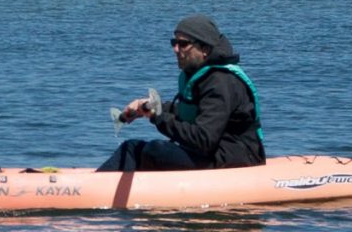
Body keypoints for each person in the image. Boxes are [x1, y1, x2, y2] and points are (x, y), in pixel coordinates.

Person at [100, 14, 264, 173]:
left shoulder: (221, 82)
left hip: (237, 158)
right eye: (174, 43)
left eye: (183, 44)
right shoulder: (201, 75)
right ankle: (100, 182)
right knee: (135, 150)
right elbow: (190, 112)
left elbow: (203, 140)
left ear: (205, 49)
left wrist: (158, 117)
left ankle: (94, 186)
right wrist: (155, 107)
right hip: (214, 153)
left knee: (147, 150)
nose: (175, 49)